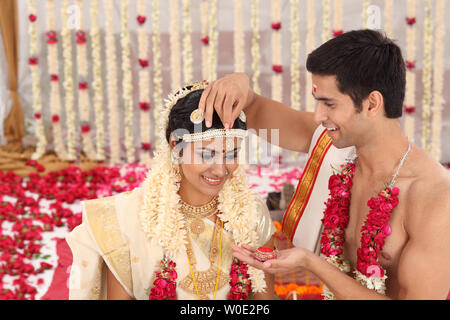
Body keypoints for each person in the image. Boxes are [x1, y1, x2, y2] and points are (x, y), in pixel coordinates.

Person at [200, 29, 450, 299]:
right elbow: (255, 109)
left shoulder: (434, 198)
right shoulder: (337, 145)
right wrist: (239, 82)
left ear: (372, 103)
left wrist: (311, 263)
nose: (318, 116)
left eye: (329, 104)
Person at [66, 81, 276, 300]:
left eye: (231, 154)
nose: (221, 169)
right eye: (206, 154)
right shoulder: (127, 219)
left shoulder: (251, 214)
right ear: (176, 146)